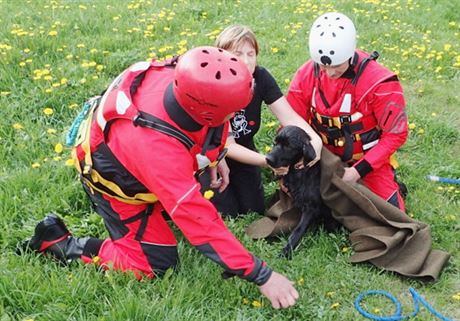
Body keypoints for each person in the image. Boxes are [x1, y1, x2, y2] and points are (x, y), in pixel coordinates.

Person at [20, 46, 299, 309]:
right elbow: (200, 223)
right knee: (155, 265)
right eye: (232, 111)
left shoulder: (185, 76)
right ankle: (59, 244)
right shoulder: (159, 150)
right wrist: (262, 275)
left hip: (139, 156)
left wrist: (214, 157)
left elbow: (212, 125)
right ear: (206, 111)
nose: (233, 116)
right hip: (114, 181)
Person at [286, 12, 408, 211]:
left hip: (366, 161)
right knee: (299, 201)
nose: (330, 73)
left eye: (336, 66)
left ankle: (390, 183)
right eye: (323, 66)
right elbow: (291, 121)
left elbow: (396, 134)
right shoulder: (307, 73)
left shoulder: (380, 83)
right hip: (321, 156)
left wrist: (358, 171)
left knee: (390, 215)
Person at [201, 24, 322, 217]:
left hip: (246, 151)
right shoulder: (216, 83)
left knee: (254, 209)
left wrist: (316, 143)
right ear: (222, 55)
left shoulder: (261, 77)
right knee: (226, 212)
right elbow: (228, 144)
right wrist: (268, 161)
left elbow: (289, 117)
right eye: (238, 54)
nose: (246, 61)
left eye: (251, 54)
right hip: (213, 155)